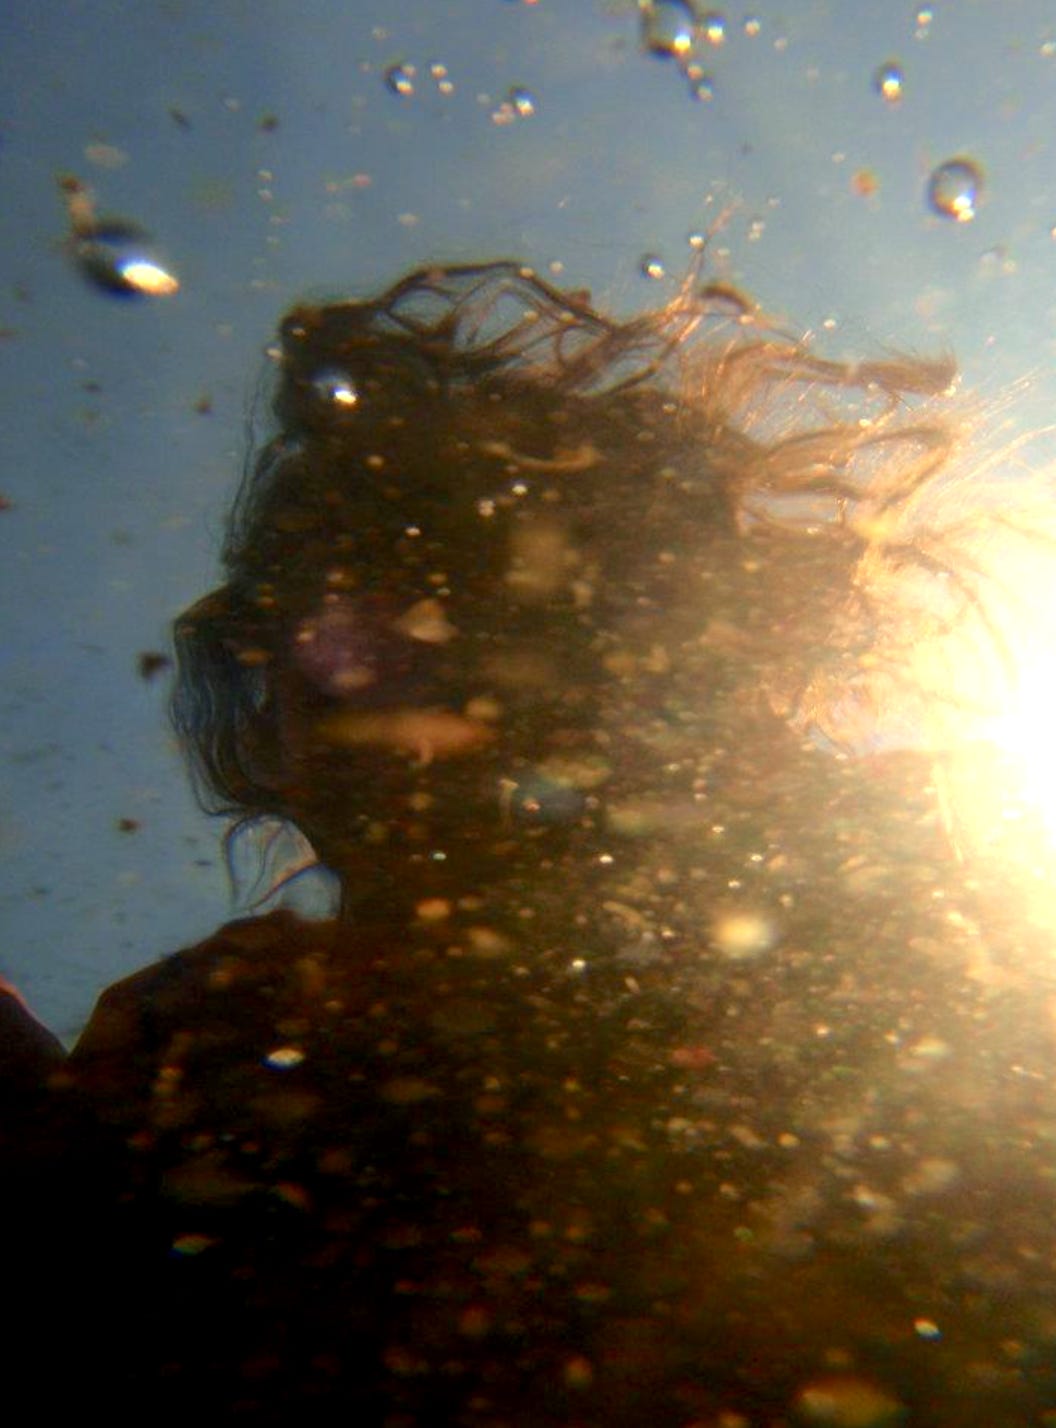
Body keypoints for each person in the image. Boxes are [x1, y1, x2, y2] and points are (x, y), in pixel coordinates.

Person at [27, 262, 1056, 1423]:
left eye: (518, 619)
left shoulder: (932, 945)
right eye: (340, 642)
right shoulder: (200, 1049)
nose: (426, 714)